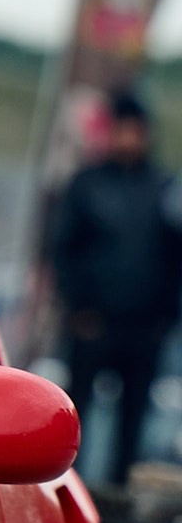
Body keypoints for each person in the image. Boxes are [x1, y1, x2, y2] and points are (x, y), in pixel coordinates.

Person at [47, 90, 182, 486]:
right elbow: (63, 249)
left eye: (135, 130)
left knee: (132, 421)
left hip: (144, 329)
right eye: (122, 128)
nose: (129, 137)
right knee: (76, 414)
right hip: (92, 324)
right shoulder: (86, 184)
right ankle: (66, 487)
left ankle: (118, 498)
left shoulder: (164, 188)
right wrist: (77, 309)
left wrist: (166, 319)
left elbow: (176, 257)